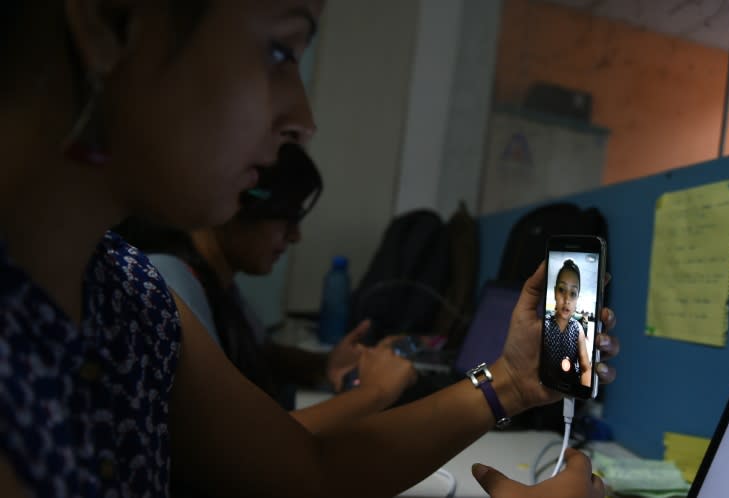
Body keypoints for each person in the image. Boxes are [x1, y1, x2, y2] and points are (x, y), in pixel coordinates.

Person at [0, 2, 620, 497]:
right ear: (110, 19)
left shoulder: (127, 293)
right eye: (279, 49)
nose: (302, 119)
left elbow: (306, 469)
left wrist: (511, 383)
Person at [115, 142, 417, 435]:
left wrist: (327, 364)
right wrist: (377, 392)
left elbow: (263, 355)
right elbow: (236, 442)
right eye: (288, 217)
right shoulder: (169, 278)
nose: (295, 236)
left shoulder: (217, 283)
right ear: (238, 201)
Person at [543, 259, 593, 387]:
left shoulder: (578, 329)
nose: (567, 299)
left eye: (573, 293)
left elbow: (586, 369)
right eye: (561, 290)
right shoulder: (544, 325)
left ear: (577, 299)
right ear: (555, 292)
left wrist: (582, 392)